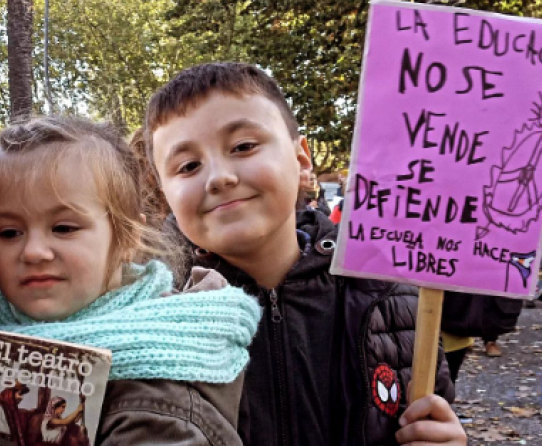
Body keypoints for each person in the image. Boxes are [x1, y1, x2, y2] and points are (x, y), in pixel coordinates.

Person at [143, 62, 464, 446]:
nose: (219, 177)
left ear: (301, 158)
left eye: (243, 146)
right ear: (165, 192)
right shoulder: (150, 321)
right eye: (188, 166)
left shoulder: (393, 301)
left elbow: (432, 416)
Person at [0, 116, 261, 446]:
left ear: (127, 237)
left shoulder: (161, 388)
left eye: (64, 228)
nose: (34, 252)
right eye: (9, 232)